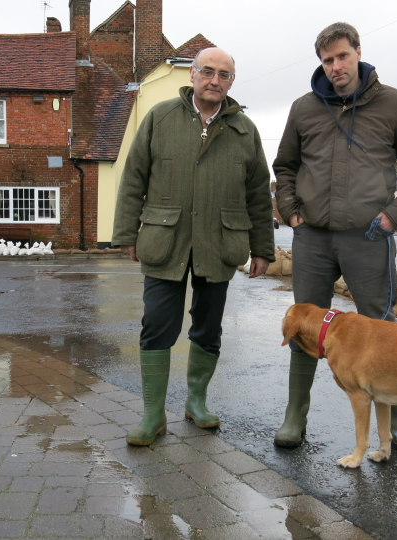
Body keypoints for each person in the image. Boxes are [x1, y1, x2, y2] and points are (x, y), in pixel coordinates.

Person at [272, 23, 397, 451]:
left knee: (383, 330)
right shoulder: (304, 107)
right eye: (327, 60)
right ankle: (294, 417)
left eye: (342, 56)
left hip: (369, 237)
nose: (336, 66)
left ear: (358, 52)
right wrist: (289, 210)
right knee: (304, 328)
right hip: (313, 239)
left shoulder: (393, 103)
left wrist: (393, 216)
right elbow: (284, 165)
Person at [112, 47, 275, 446]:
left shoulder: (245, 130)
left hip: (219, 243)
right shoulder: (159, 118)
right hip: (164, 240)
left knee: (208, 327)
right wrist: (125, 234)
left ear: (231, 82)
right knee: (156, 326)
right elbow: (133, 179)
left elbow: (258, 194)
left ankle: (196, 402)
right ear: (192, 76)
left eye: (223, 74)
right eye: (207, 72)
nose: (214, 80)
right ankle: (153, 415)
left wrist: (263, 249)